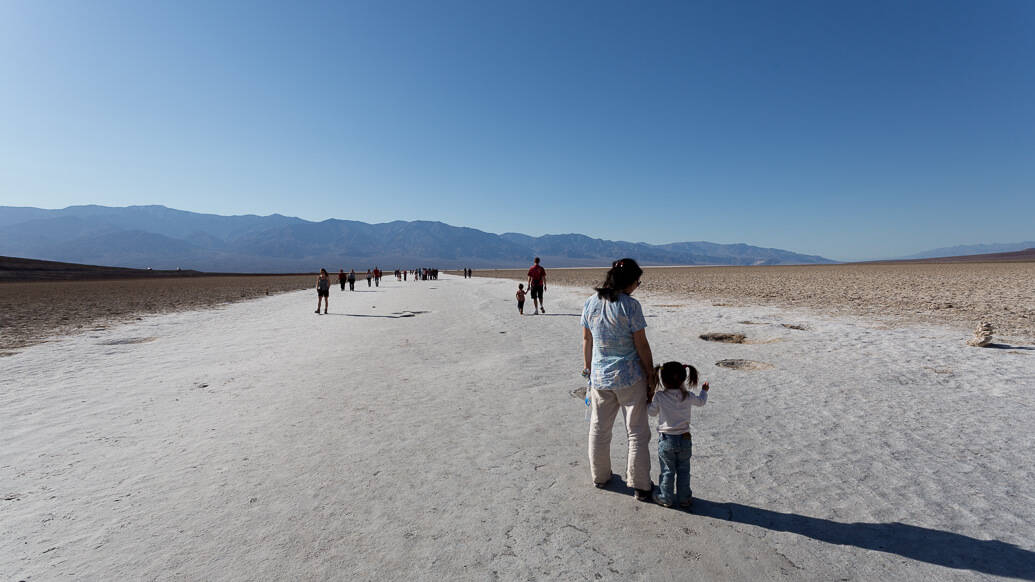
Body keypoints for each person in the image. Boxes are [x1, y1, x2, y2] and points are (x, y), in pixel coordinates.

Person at [581, 258, 654, 501]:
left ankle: (600, 476)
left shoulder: (590, 303)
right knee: (637, 433)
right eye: (637, 282)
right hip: (630, 378)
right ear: (629, 281)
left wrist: (588, 369)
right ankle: (640, 484)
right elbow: (641, 344)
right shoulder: (630, 306)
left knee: (599, 429)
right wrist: (651, 374)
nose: (637, 286)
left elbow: (587, 340)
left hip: (600, 378)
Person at [646, 362, 710, 508]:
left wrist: (648, 400)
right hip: (685, 439)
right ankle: (685, 498)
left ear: (662, 379)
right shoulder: (687, 396)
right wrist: (704, 391)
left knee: (667, 471)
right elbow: (701, 402)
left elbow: (651, 412)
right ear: (683, 379)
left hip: (667, 440)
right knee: (684, 470)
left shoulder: (659, 396)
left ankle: (665, 497)